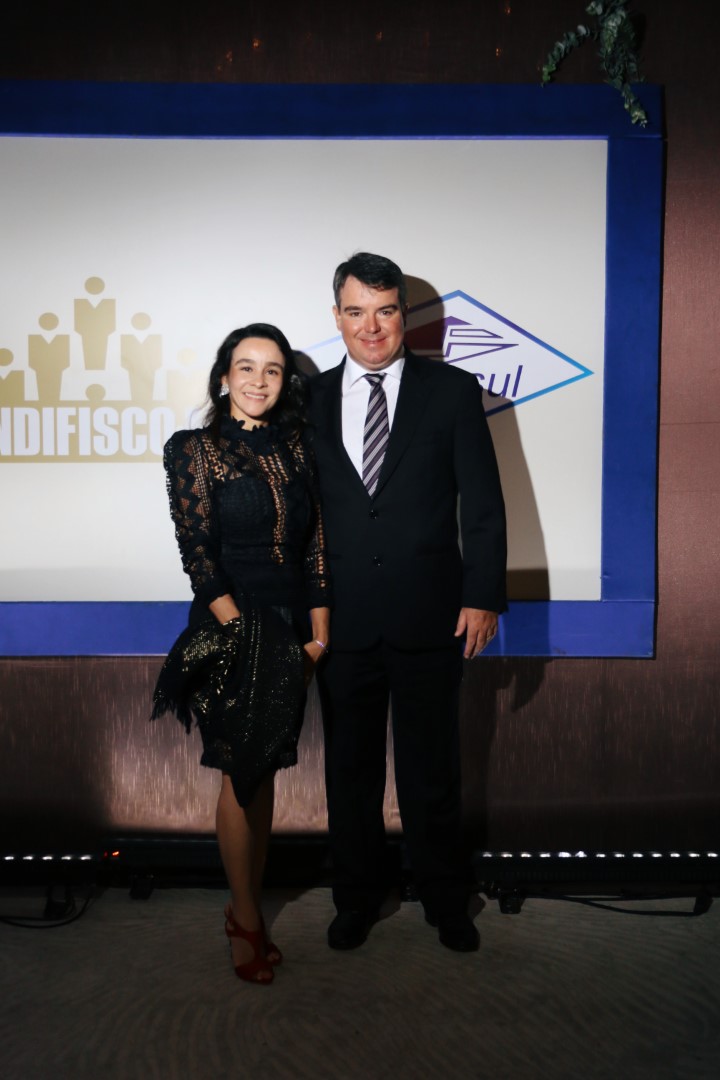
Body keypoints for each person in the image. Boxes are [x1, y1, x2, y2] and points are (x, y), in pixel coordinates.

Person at [308, 253, 507, 953]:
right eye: (356, 311)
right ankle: (356, 898)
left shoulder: (451, 391)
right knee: (349, 774)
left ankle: (446, 899)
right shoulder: (308, 399)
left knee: (433, 771)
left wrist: (482, 595)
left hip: (432, 615)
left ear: (404, 316)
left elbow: (482, 503)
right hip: (341, 622)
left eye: (385, 311)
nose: (372, 326)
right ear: (337, 317)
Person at [152, 323, 331, 984]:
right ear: (224, 376)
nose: (259, 380)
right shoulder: (193, 449)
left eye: (273, 370)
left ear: (285, 383)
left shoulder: (300, 448)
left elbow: (316, 547)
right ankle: (246, 918)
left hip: (291, 627)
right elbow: (197, 555)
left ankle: (246, 905)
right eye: (246, 367)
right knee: (239, 770)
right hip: (231, 624)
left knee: (267, 769)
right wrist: (243, 635)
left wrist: (318, 637)